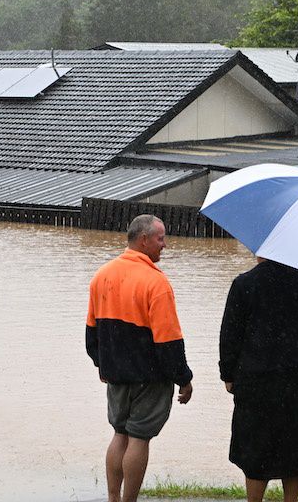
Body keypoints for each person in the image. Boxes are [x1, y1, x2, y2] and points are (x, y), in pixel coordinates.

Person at [86, 214, 194, 502]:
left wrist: (102, 364)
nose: (165, 245)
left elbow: (91, 332)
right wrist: (184, 379)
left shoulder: (102, 275)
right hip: (150, 376)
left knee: (119, 433)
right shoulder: (156, 283)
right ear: (144, 240)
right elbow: (168, 340)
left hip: (116, 375)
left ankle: (113, 498)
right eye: (161, 239)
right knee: (139, 438)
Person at [218, 258, 298, 502]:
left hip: (256, 377)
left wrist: (228, 374)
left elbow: (230, 334)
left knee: (255, 447)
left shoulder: (245, 283)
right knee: (297, 445)